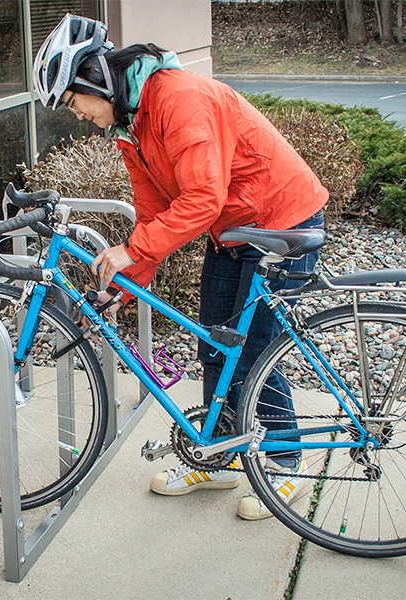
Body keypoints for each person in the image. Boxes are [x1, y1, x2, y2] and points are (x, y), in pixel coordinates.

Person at [33, 14, 328, 520]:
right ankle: (217, 454)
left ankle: (286, 464)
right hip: (234, 230)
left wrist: (128, 252)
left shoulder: (177, 97)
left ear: (93, 82)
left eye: (71, 103)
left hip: (280, 220)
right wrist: (121, 287)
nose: (76, 115)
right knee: (215, 343)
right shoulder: (132, 128)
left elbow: (202, 198)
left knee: (255, 350)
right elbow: (153, 220)